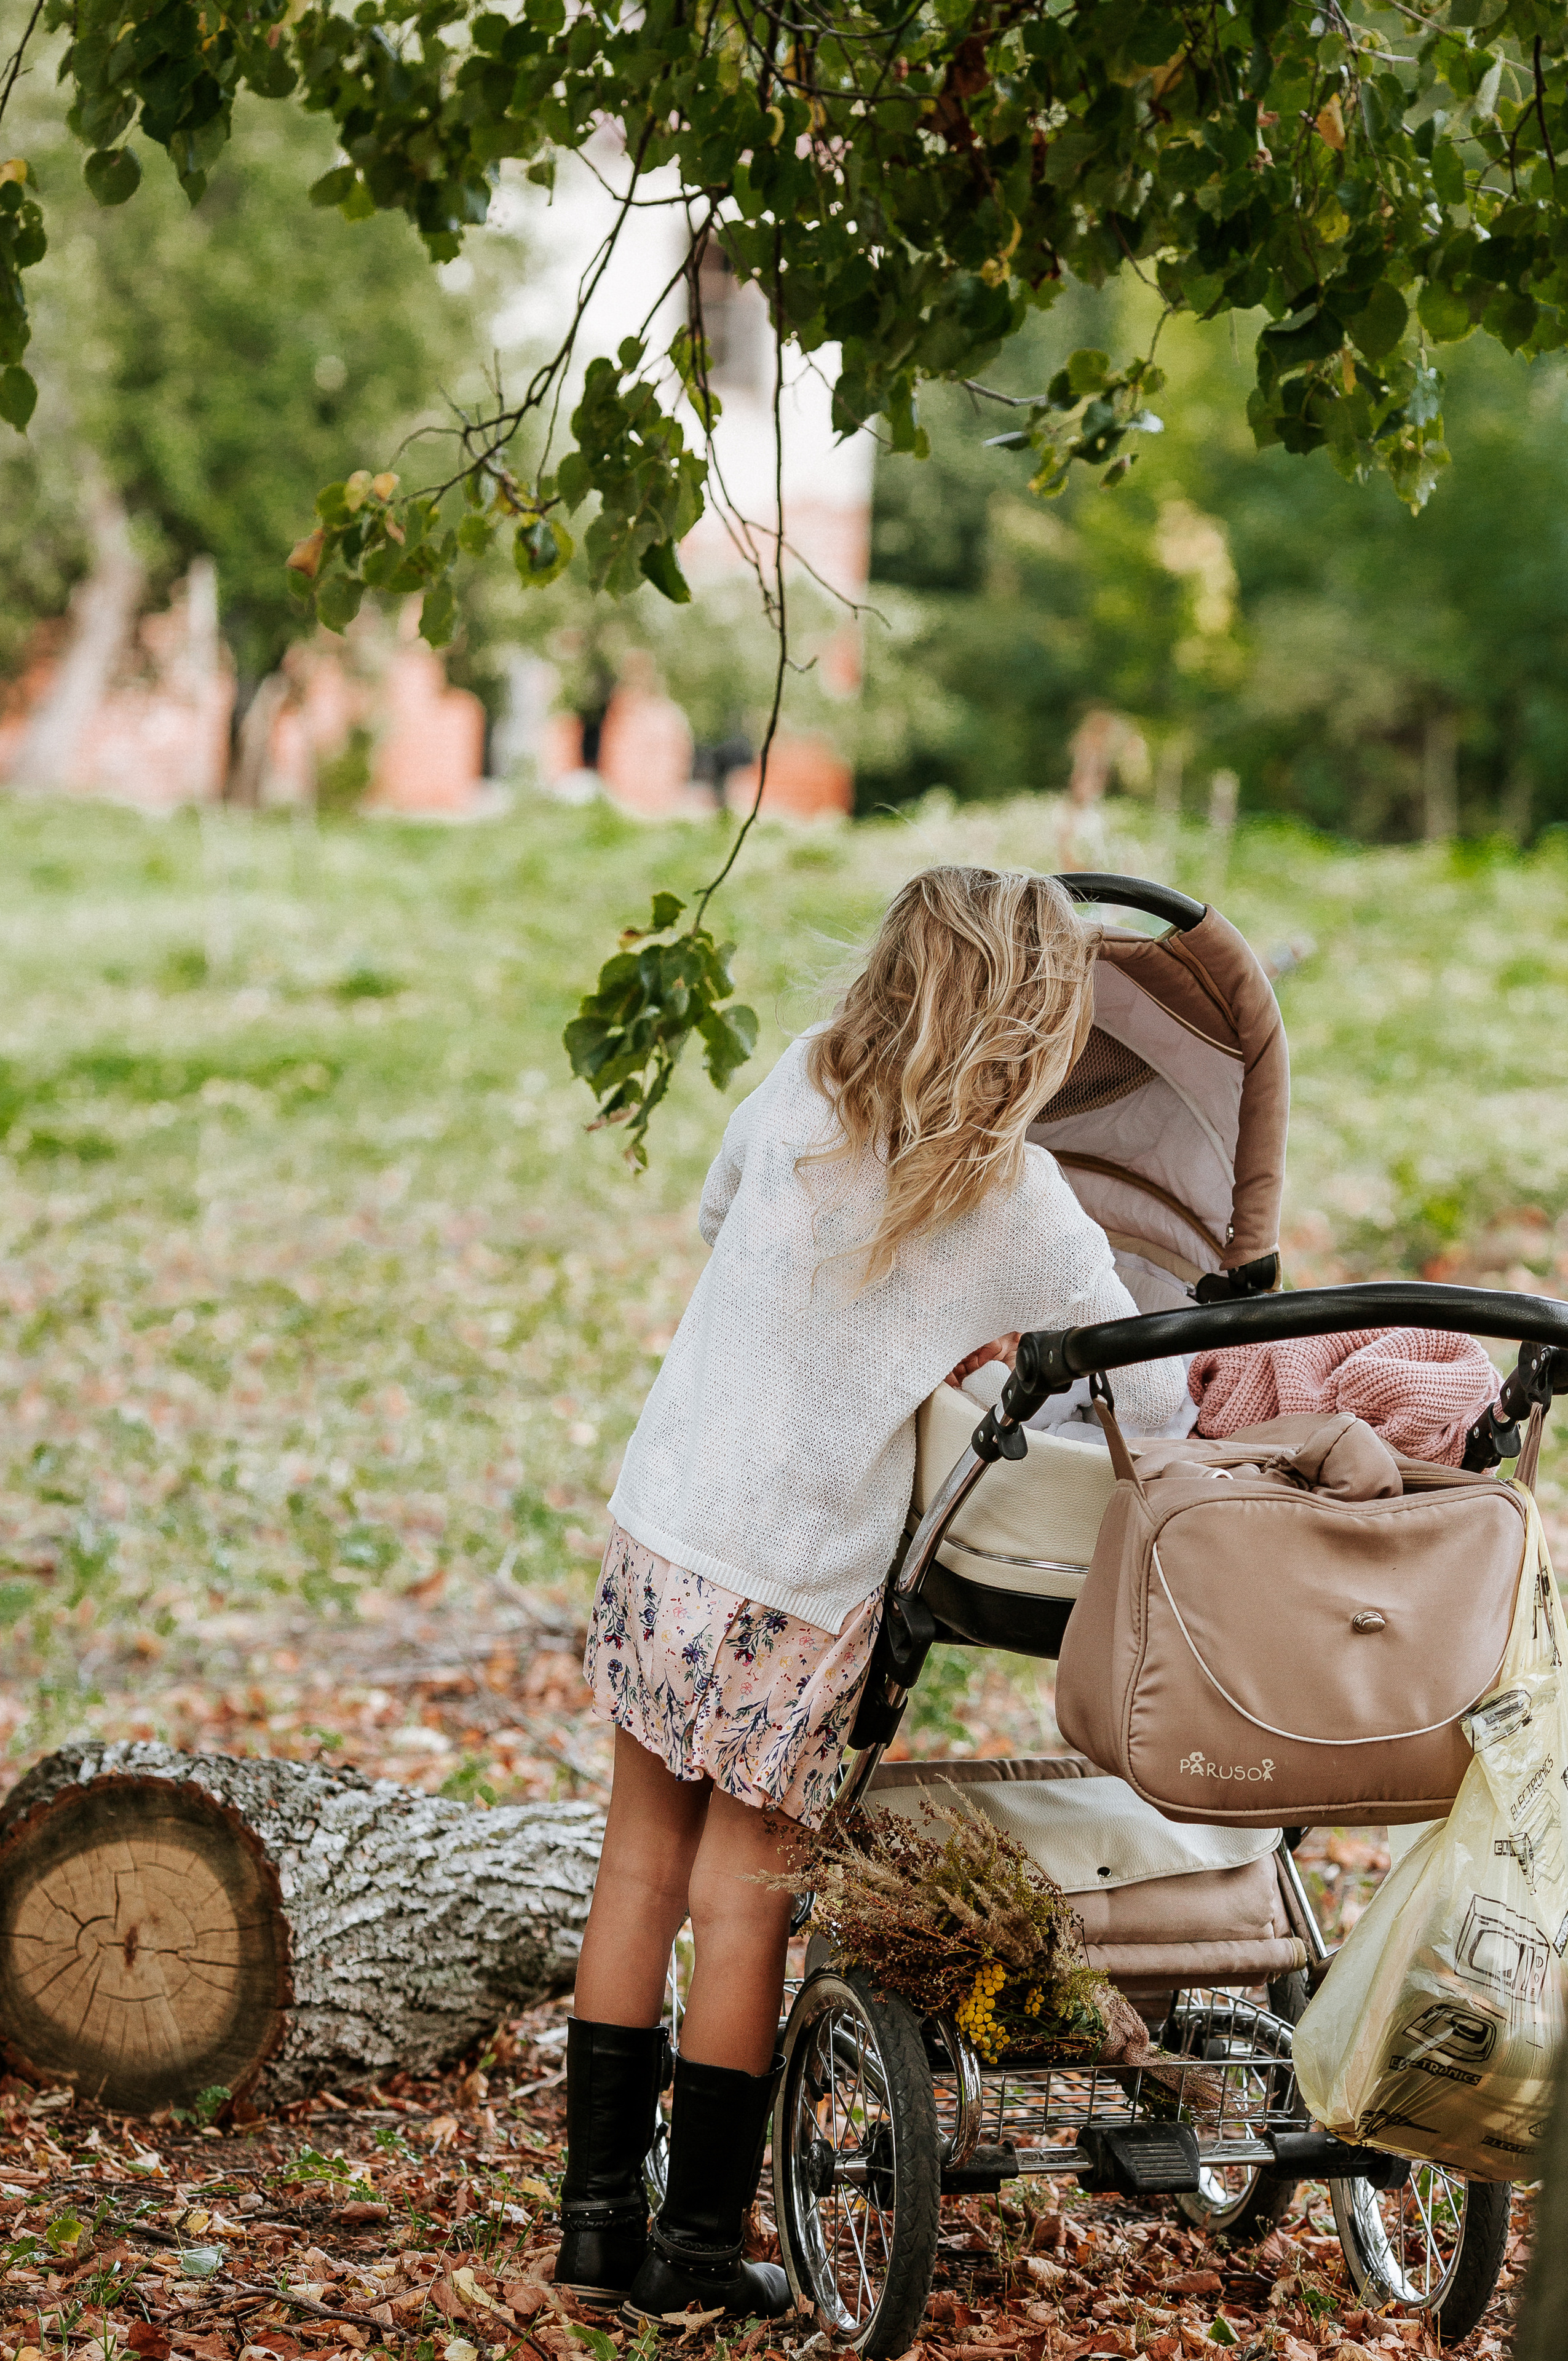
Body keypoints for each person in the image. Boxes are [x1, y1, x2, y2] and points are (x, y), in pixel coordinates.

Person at [556, 866, 1187, 2323]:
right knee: (742, 1903)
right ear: (1038, 1022)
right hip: (793, 1583)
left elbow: (722, 1224)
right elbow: (1146, 1391)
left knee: (637, 1870)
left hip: (665, 1528)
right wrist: (967, 1359)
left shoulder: (797, 1084)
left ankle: (595, 2233)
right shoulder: (1014, 1201)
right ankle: (701, 2255)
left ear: (893, 971)